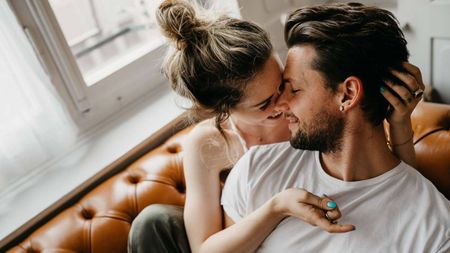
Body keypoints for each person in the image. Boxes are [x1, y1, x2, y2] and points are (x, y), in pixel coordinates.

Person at [127, 1, 424, 253]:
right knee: (154, 223)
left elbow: (391, 180)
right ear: (224, 111)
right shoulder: (209, 145)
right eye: (265, 104)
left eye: (285, 85)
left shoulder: (311, 120)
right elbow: (204, 246)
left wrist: (398, 124)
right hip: (237, 232)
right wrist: (275, 208)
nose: (283, 104)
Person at [221, 2, 450, 253]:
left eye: (294, 89)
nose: (280, 104)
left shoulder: (434, 230)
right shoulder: (256, 170)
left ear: (348, 94)